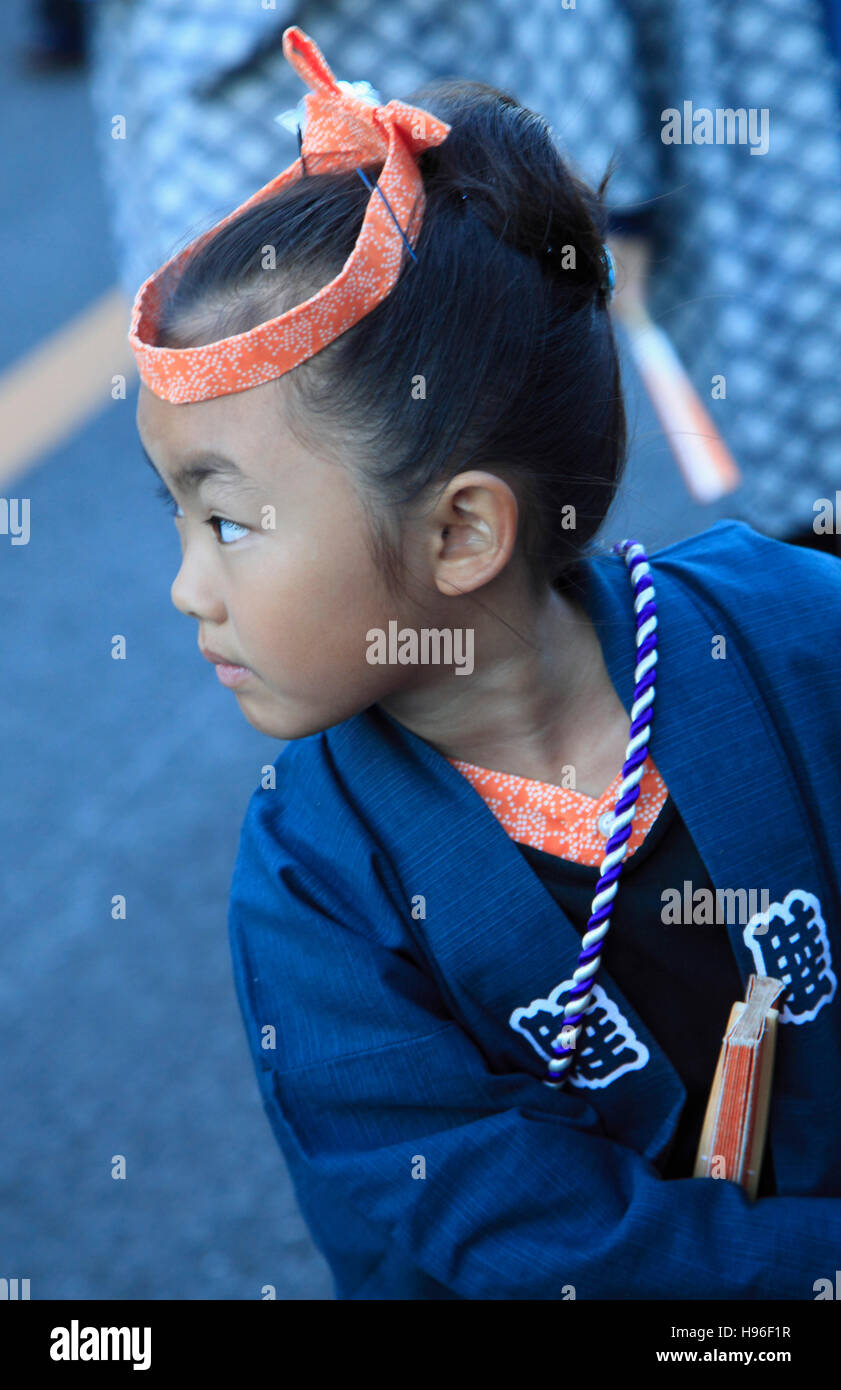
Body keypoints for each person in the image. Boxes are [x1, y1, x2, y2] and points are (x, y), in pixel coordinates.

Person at [129, 28, 841, 1300]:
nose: (187, 585)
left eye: (226, 519)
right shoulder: (314, 886)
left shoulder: (792, 629)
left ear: (460, 529)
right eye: (177, 516)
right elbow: (526, 1249)